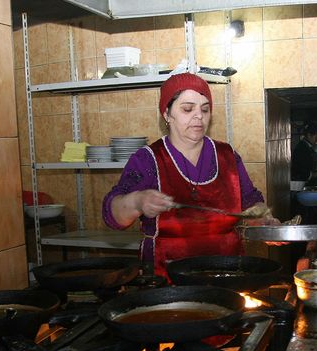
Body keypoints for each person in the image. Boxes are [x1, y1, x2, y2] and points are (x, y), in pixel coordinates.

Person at [102, 73, 275, 277]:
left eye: (205, 109)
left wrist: (266, 221)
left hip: (227, 273)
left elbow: (251, 201)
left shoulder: (227, 155)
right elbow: (113, 217)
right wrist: (137, 201)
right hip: (167, 276)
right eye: (187, 109)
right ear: (167, 114)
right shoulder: (148, 159)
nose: (199, 116)